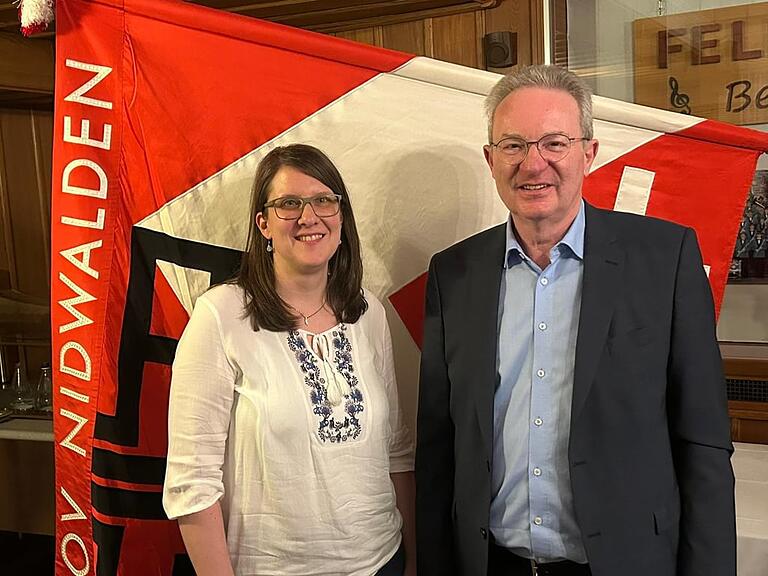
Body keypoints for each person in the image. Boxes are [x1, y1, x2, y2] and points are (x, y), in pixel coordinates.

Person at [416, 65, 735, 576]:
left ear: (589, 152)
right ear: (491, 159)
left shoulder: (664, 259)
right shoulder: (453, 273)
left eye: (554, 143)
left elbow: (703, 444)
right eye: (513, 145)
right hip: (492, 563)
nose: (532, 163)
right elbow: (439, 447)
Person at [163, 144, 416, 576]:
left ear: (341, 216)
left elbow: (397, 451)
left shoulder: (367, 312)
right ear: (263, 223)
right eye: (289, 204)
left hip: (383, 562)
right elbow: (192, 484)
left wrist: (413, 561)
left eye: (323, 200)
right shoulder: (221, 316)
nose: (308, 217)